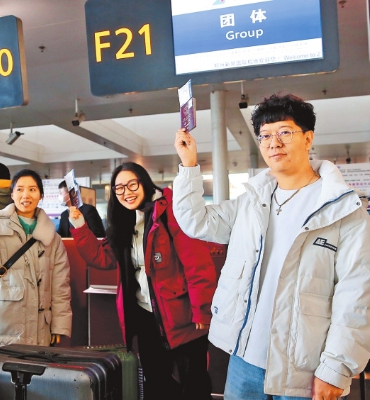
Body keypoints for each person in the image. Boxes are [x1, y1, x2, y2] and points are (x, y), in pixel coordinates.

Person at [172, 93, 370, 400]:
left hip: (304, 368)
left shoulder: (342, 209)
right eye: (265, 135)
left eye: (284, 132)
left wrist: (336, 368)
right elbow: (196, 222)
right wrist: (189, 165)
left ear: (308, 138)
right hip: (244, 360)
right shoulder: (252, 201)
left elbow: (356, 295)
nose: (273, 143)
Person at [68, 161, 218, 400]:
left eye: (132, 185)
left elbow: (196, 262)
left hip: (182, 317)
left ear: (145, 183)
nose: (126, 192)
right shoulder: (125, 223)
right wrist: (79, 225)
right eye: (119, 188)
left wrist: (202, 310)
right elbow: (103, 258)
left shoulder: (170, 211)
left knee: (195, 387)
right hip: (146, 318)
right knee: (157, 385)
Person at [0, 169, 72, 357]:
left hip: (40, 329)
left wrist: (59, 325)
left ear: (41, 195)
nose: (26, 195)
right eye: (20, 189)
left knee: (33, 373)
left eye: (32, 189)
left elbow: (60, 285)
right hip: (1, 325)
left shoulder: (53, 239)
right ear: (12, 194)